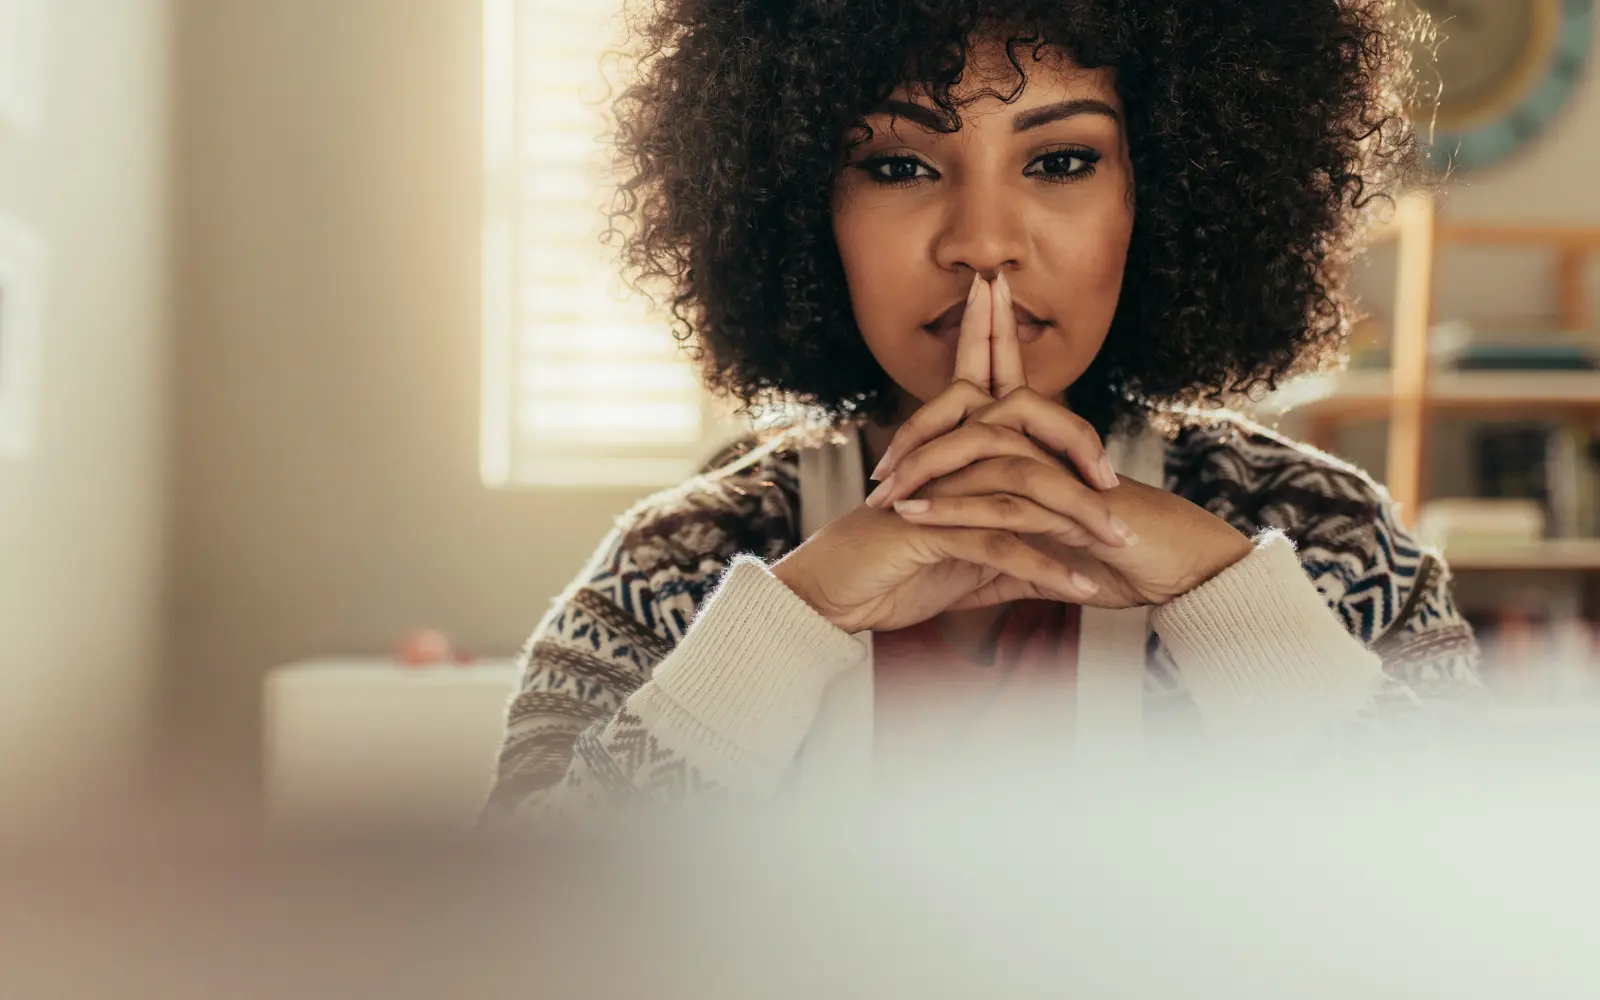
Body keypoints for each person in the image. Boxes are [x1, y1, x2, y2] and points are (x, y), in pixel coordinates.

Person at [480, 0, 1483, 823]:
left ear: (1163, 191)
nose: (983, 242)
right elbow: (510, 940)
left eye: (1059, 161)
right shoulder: (680, 563)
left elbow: (1484, 910)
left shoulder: (1326, 539)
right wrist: (799, 614)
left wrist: (1221, 592)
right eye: (897, 166)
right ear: (800, 205)